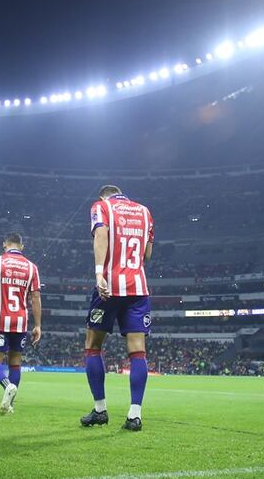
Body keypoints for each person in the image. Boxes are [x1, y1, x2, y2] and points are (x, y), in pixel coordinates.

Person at [80, 185, 154, 432]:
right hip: (138, 288)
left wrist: (99, 273)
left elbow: (101, 234)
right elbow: (147, 253)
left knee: (93, 345)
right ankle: (135, 415)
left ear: (103, 196)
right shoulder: (145, 211)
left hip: (109, 286)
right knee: (138, 351)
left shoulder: (101, 206)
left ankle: (100, 410)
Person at [0, 233, 42, 415]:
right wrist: (37, 325)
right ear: (22, 246)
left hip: (0, 321)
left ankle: (7, 386)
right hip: (20, 321)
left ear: (4, 244)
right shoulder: (32, 267)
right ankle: (10, 404)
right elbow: (35, 297)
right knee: (15, 362)